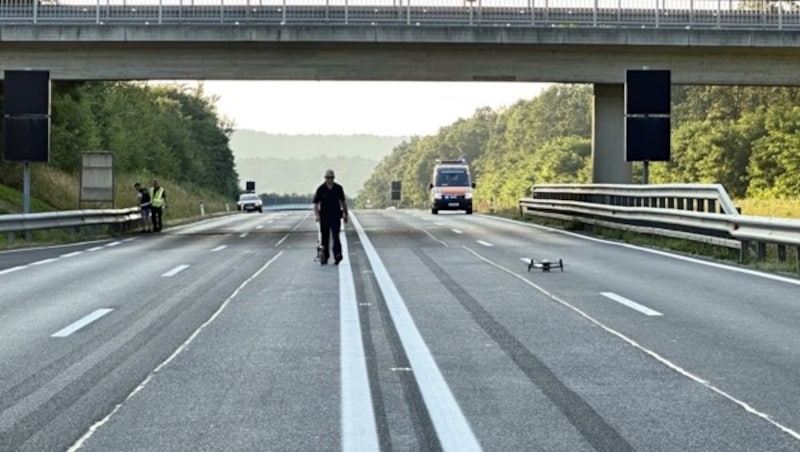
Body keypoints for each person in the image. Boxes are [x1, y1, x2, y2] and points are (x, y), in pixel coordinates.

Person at [313, 169, 348, 265]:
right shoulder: (321, 189)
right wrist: (317, 215)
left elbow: (343, 202)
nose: (330, 179)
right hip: (324, 216)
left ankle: (337, 255)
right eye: (328, 177)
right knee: (325, 237)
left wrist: (345, 213)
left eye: (331, 177)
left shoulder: (338, 188)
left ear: (334, 178)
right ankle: (325, 255)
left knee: (336, 236)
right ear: (325, 178)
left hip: (336, 215)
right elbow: (316, 203)